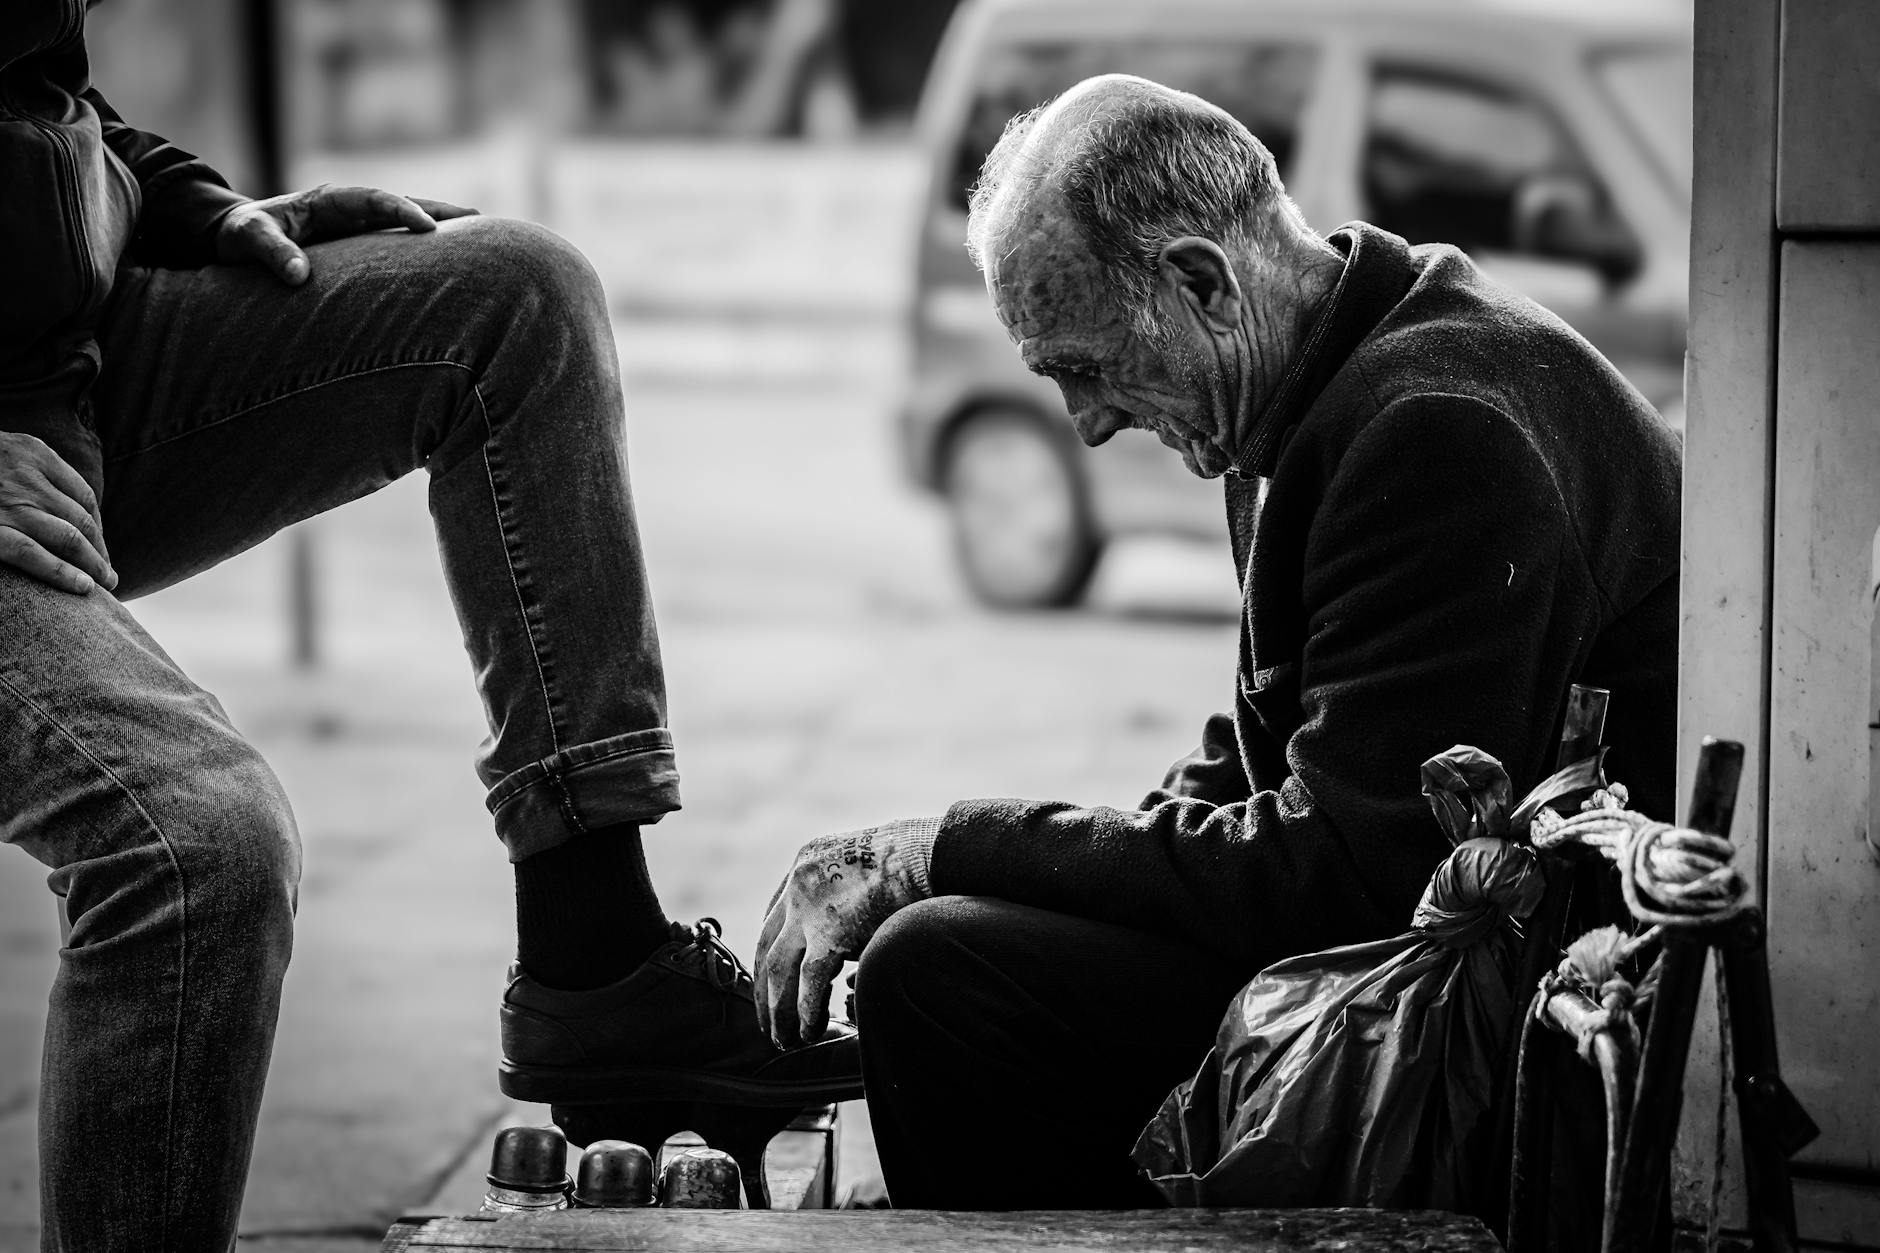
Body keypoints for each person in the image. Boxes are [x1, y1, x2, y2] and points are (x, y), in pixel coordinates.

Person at [1, 7, 857, 1249]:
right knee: (198, 847)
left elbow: (39, 101)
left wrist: (196, 205)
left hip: (61, 386)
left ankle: (597, 960)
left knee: (514, 298)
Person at [754, 73, 1681, 1209]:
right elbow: (1255, 756)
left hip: (1502, 1011)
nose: (1086, 426)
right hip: (1405, 936)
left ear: (1201, 281)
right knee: (961, 932)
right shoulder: (1326, 374)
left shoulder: (1434, 429)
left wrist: (938, 848)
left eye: (1083, 368)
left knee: (939, 971)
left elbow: (1342, 873)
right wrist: (1016, 867)